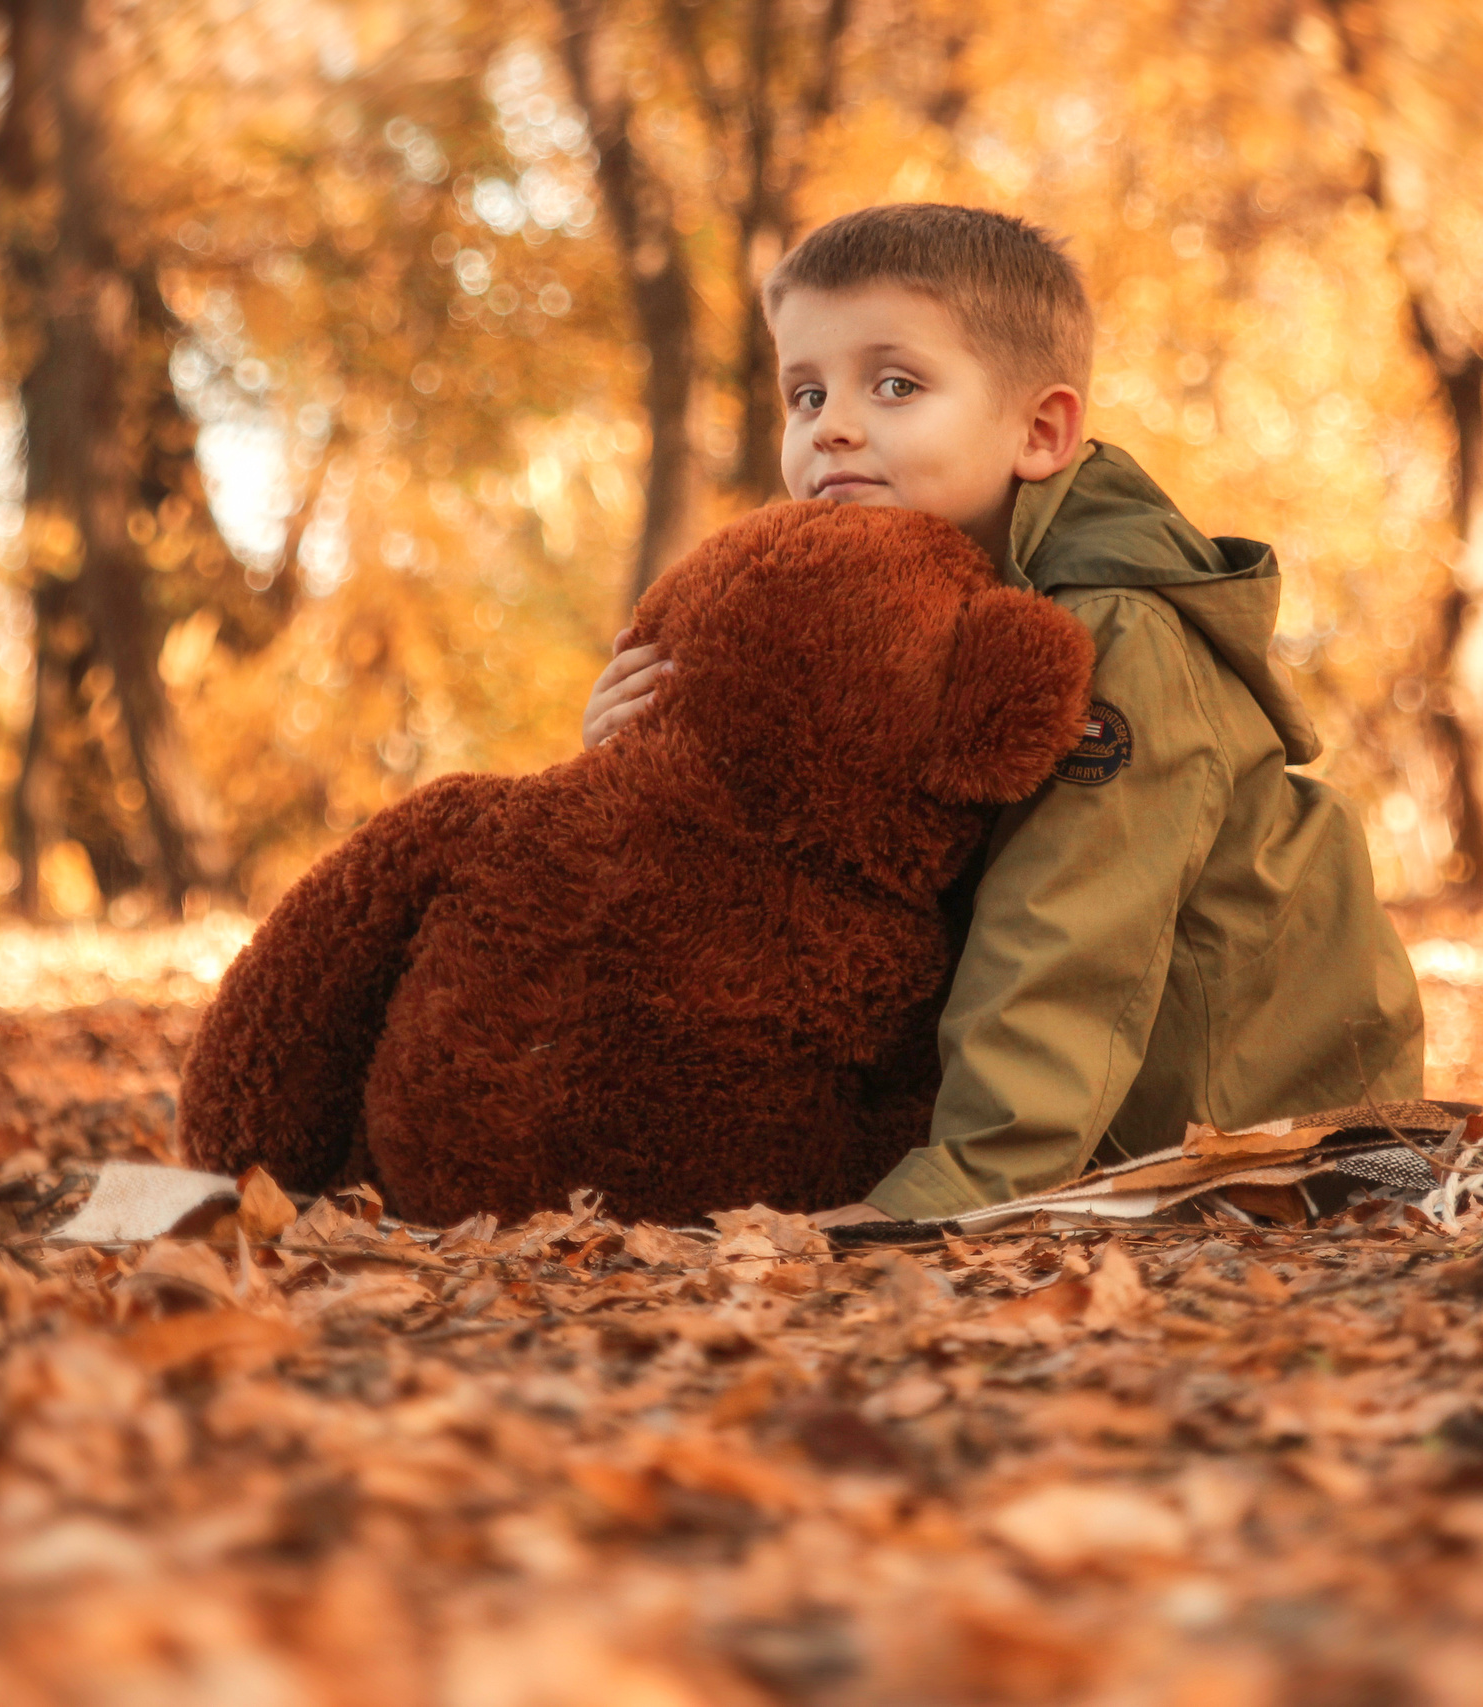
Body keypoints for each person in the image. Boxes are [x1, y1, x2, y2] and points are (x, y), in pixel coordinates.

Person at [582, 203, 1424, 1227]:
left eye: (895, 384)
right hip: (1085, 1128)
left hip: (1267, 1138)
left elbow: (1067, 939)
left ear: (1039, 431)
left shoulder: (1116, 629)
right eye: (805, 393)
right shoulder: (881, 625)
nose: (832, 425)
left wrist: (953, 1197)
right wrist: (628, 764)